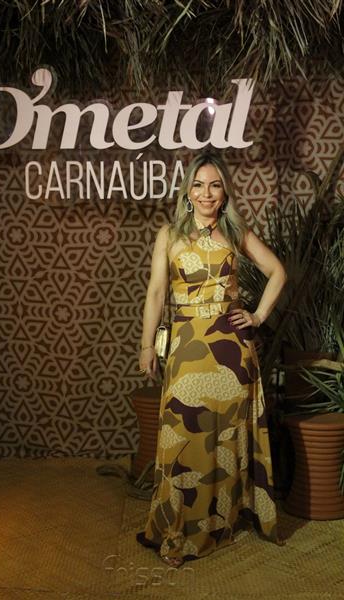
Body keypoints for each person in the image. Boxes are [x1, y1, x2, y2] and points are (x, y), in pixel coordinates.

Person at [135, 150, 287, 568]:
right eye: (198, 185)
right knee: (185, 438)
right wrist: (147, 345)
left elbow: (278, 272)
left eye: (214, 185)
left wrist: (257, 316)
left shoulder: (236, 232)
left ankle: (223, 520)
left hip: (232, 351)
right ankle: (178, 527)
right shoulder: (169, 235)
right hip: (186, 345)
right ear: (187, 191)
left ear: (224, 192)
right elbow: (156, 293)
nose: (206, 193)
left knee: (225, 437)